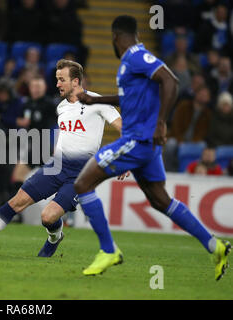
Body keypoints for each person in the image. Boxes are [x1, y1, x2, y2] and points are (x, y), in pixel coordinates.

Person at [74, 15, 230, 280]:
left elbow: (170, 80)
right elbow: (131, 97)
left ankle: (108, 250)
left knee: (82, 185)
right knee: (160, 200)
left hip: (137, 140)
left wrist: (161, 123)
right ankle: (215, 246)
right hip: (146, 145)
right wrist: (94, 100)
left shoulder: (135, 56)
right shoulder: (132, 63)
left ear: (115, 37)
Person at [0, 59, 122, 258]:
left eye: (61, 80)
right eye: (57, 79)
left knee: (48, 217)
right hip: (57, 166)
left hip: (81, 174)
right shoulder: (62, 107)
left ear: (75, 82)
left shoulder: (97, 102)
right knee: (17, 201)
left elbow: (122, 127)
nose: (57, 84)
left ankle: (54, 238)